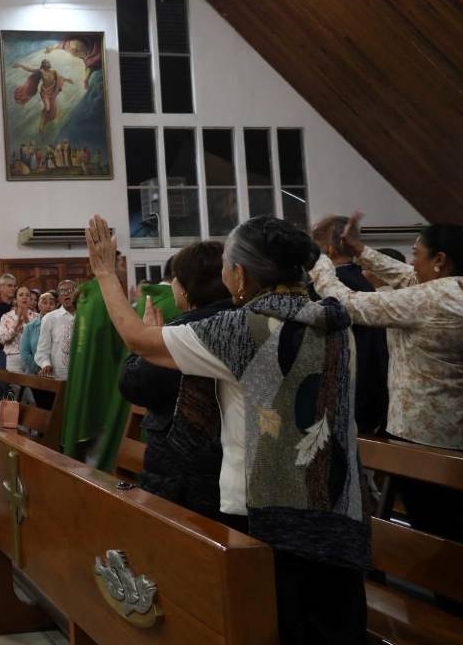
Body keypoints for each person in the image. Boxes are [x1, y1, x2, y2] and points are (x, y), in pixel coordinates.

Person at [87, 214, 368, 645]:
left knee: (273, 630)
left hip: (269, 520)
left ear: (239, 274)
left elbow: (137, 340)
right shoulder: (336, 321)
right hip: (338, 509)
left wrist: (106, 273)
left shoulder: (241, 329)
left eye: (226, 265)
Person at [309, 214, 463, 540]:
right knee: (456, 522)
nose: (411, 262)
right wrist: (360, 251)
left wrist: (320, 262)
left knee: (437, 533)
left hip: (429, 439)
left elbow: (349, 304)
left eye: (416, 253)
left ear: (440, 260)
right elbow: (406, 275)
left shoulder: (430, 298)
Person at [119, 241, 234, 520]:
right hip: (230, 467)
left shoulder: (185, 330)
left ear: (185, 288)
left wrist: (149, 342)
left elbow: (135, 385)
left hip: (186, 477)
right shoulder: (242, 320)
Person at [62, 255, 179, 467]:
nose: (125, 267)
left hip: (92, 378)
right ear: (112, 265)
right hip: (109, 379)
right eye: (122, 263)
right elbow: (122, 340)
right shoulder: (106, 297)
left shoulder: (89, 294)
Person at [313, 216, 389, 433]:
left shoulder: (333, 286)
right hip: (371, 390)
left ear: (328, 251)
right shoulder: (361, 280)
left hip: (348, 395)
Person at [36, 280, 77, 380]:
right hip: (59, 375)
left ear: (77, 294)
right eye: (62, 291)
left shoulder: (86, 316)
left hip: (82, 372)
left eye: (70, 290)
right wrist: (46, 364)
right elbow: (42, 350)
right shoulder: (49, 318)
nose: (66, 294)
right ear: (58, 298)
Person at [0, 286, 37, 373]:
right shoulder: (6, 317)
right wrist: (15, 328)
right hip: (13, 358)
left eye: (27, 295)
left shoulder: (36, 317)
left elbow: (38, 339)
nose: (24, 297)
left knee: (30, 382)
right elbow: (2, 340)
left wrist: (27, 322)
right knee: (14, 382)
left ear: (30, 299)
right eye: (21, 295)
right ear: (15, 299)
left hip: (31, 357)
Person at [19, 291, 56, 375]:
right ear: (39, 305)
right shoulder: (29, 327)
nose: (48, 306)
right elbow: (25, 353)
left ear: (56, 306)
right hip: (35, 372)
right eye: (44, 303)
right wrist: (40, 368)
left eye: (51, 303)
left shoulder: (60, 324)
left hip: (57, 371)